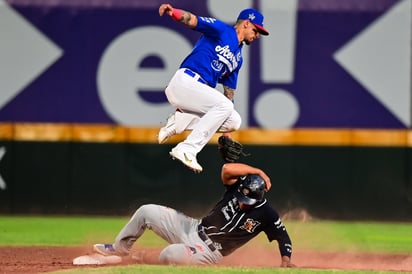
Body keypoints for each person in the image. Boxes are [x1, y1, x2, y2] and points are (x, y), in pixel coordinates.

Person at [93, 163, 296, 267]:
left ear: (260, 197)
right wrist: (257, 170)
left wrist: (285, 261)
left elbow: (283, 238)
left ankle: (142, 258)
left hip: (207, 251)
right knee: (146, 211)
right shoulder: (238, 188)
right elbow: (227, 169)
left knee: (170, 254)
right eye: (242, 199)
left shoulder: (267, 214)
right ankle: (119, 249)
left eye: (248, 202)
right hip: (193, 227)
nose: (243, 204)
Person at [157, 4, 269, 173]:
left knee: (234, 121)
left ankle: (180, 121)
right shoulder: (223, 30)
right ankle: (187, 149)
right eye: (256, 30)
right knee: (225, 107)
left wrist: (226, 133)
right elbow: (194, 20)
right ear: (246, 23)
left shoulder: (237, 59)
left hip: (194, 92)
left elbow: (228, 94)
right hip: (185, 82)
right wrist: (174, 13)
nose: (257, 35)